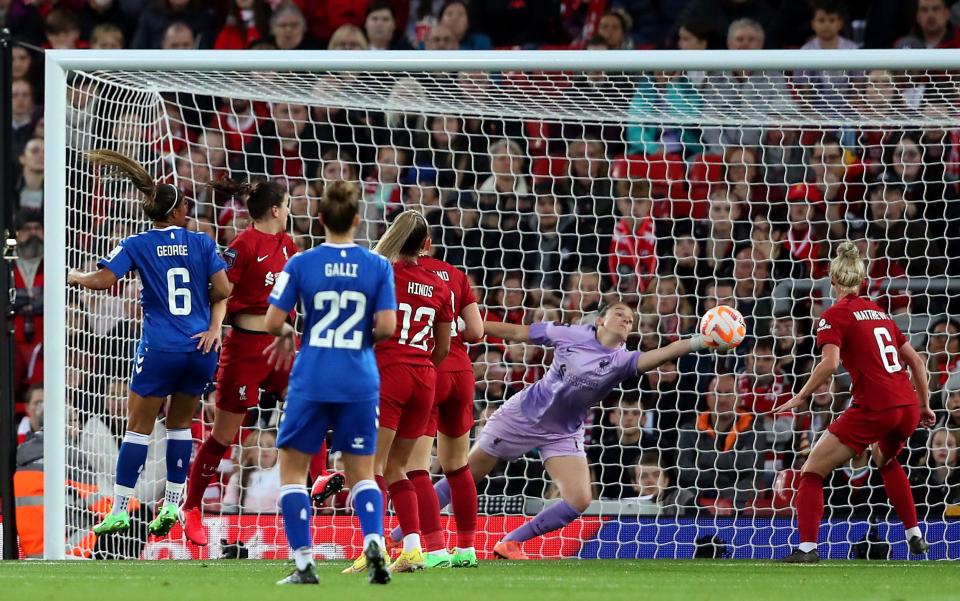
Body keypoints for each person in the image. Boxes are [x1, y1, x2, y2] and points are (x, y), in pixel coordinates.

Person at [424, 301, 719, 559]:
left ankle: (511, 542)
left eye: (630, 320)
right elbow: (517, 333)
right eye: (620, 314)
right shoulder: (570, 334)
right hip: (522, 416)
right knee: (465, 476)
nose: (626, 320)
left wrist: (700, 342)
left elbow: (664, 353)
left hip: (562, 432)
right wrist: (464, 324)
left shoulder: (622, 360)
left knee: (580, 499)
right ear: (601, 319)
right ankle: (401, 535)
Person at [67, 149, 231, 538]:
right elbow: (224, 289)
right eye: (186, 207)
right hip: (200, 348)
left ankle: (121, 508)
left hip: (160, 348)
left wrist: (72, 276)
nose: (188, 212)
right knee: (180, 426)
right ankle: (173, 503)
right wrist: (211, 325)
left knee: (138, 429)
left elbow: (105, 281)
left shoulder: (137, 243)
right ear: (174, 213)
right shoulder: (202, 242)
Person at [264, 180, 396, 585]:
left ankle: (304, 563)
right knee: (362, 473)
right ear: (357, 220)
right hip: (359, 378)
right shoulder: (378, 266)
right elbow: (388, 327)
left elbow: (272, 321)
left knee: (292, 473)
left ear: (319, 218)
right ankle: (374, 541)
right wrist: (357, 342)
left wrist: (289, 333)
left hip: (313, 376)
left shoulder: (301, 263)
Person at [773, 242, 936, 563]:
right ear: (862, 283)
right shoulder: (880, 313)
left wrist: (801, 395)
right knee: (885, 460)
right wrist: (926, 406)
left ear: (832, 282)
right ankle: (914, 533)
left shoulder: (832, 316)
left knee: (812, 471)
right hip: (906, 406)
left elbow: (830, 364)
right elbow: (917, 362)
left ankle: (806, 548)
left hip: (875, 406)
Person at [180, 178, 302, 546]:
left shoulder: (289, 245)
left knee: (311, 410)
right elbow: (219, 292)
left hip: (282, 346)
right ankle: (192, 507)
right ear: (275, 210)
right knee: (224, 435)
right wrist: (216, 326)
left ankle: (323, 487)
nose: (291, 208)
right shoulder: (242, 245)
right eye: (288, 203)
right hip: (246, 349)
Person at [343, 210, 453, 574]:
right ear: (425, 245)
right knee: (399, 467)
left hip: (389, 372)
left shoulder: (381, 272)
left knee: (370, 465)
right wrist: (420, 365)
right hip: (425, 376)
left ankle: (372, 548)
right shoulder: (440, 284)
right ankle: (413, 549)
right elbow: (443, 346)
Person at [386, 251, 484, 568]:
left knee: (415, 467)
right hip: (462, 373)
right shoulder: (455, 274)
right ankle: (467, 550)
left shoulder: (398, 272)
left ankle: (436, 549)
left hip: (427, 369)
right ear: (428, 241)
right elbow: (477, 331)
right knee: (457, 465)